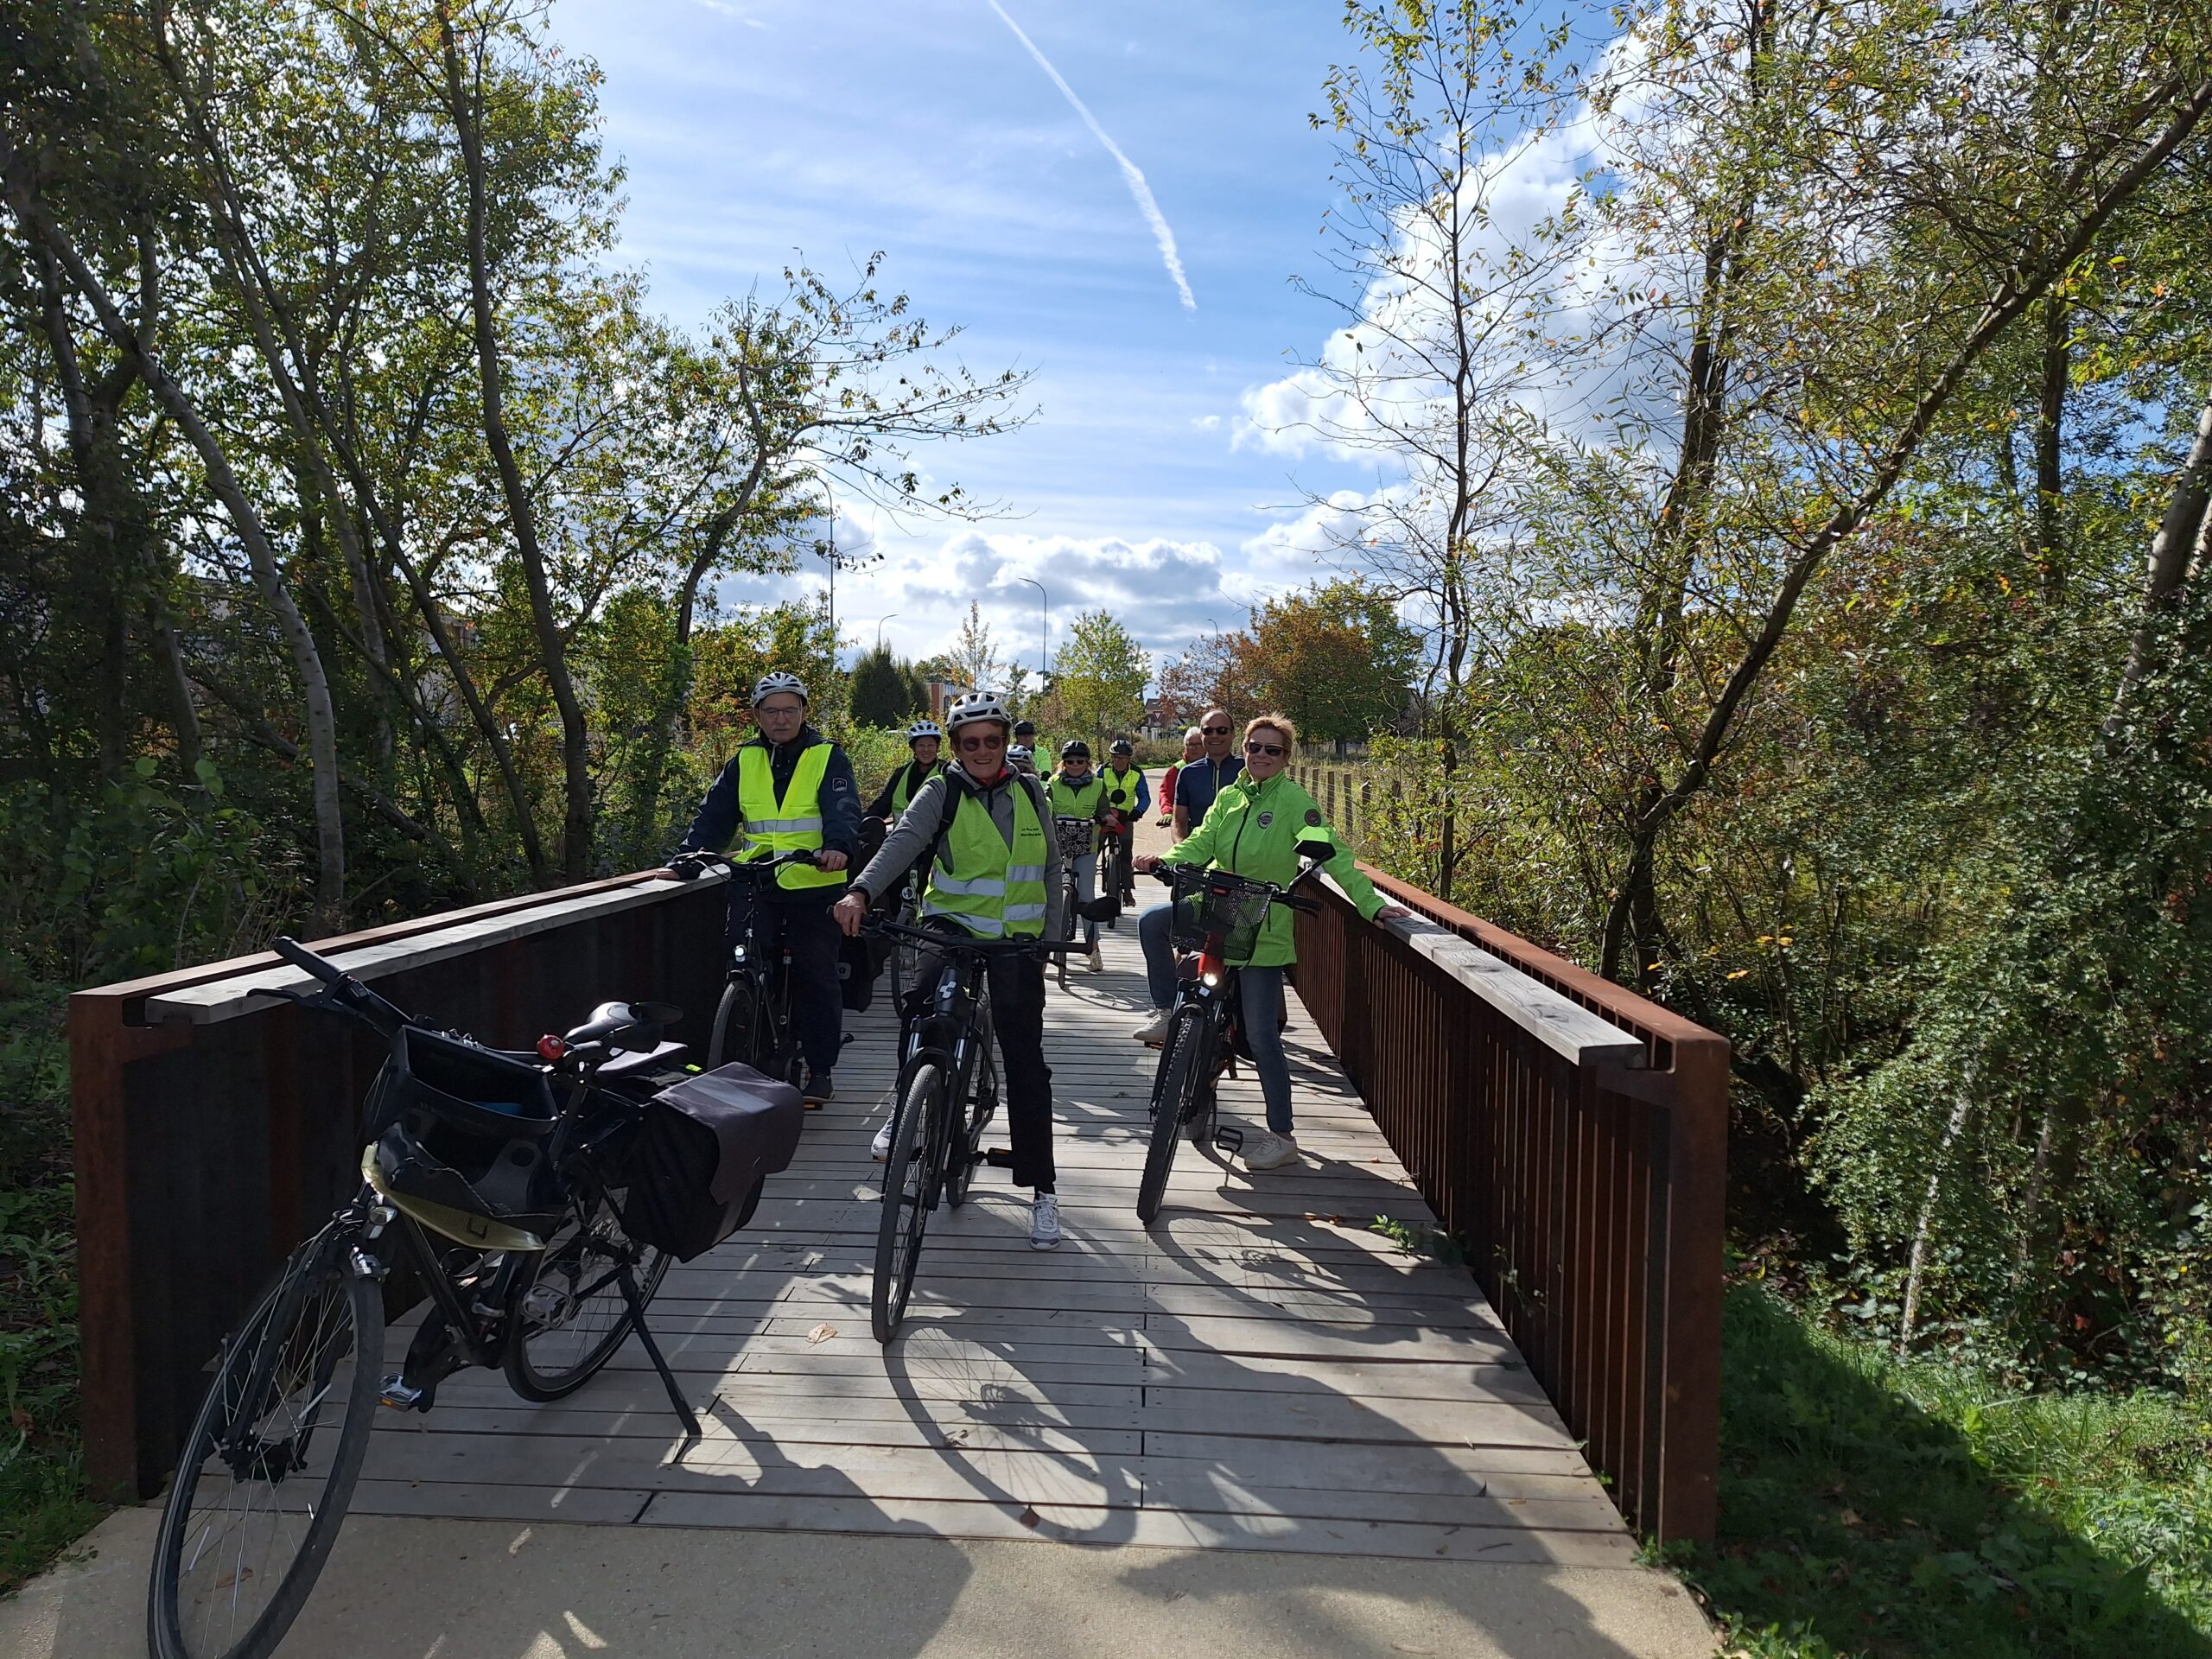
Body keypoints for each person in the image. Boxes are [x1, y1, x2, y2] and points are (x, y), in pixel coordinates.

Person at [835, 693, 1070, 1249]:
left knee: (1026, 1065)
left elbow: (1054, 864)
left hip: (1017, 942)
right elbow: (902, 842)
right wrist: (861, 890)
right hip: (951, 926)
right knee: (919, 1008)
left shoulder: (1032, 791)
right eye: (971, 743)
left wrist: (1051, 941)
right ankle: (906, 1102)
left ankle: (1043, 1192)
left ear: (1006, 742)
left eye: (992, 740)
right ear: (956, 748)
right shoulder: (939, 790)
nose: (983, 750)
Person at [1132, 714, 1408, 1173]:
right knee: (1152, 921)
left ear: (1286, 757)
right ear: (1243, 749)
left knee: (1262, 1036)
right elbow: (1200, 843)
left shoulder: (1296, 802)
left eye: (1272, 750)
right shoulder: (1230, 795)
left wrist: (1370, 905)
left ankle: (1282, 1136)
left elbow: (1334, 854)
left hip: (1262, 924)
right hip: (1217, 909)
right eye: (1254, 747)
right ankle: (1166, 1011)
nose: (1261, 755)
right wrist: (1165, 859)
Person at [671, 671, 857, 1105]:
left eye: (789, 709)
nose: (781, 719)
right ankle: (745, 1049)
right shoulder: (745, 760)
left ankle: (821, 1068)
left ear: (804, 711)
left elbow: (843, 807)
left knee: (816, 972)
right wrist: (685, 862)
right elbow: (714, 816)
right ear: (757, 715)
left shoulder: (827, 756)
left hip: (814, 882)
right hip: (758, 879)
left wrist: (838, 846)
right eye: (771, 711)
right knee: (743, 957)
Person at [1046, 740, 1112, 973]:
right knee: (1051, 894)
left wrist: (1107, 817)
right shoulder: (1052, 784)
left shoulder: (1098, 785)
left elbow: (1104, 808)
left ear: (1088, 763)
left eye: (1080, 761)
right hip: (1057, 846)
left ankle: (1093, 948)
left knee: (1086, 897)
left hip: (1086, 846)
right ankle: (1046, 947)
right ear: (1063, 763)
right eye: (1070, 761)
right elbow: (1045, 807)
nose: (1075, 765)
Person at [1171, 708, 1243, 841]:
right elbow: (1178, 822)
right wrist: (1183, 852)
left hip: (1238, 856)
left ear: (1232, 733)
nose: (1215, 735)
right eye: (1208, 731)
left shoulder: (1247, 770)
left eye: (1222, 730)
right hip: (1198, 854)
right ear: (1202, 735)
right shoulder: (1187, 773)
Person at [1099, 738, 1149, 905]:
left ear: (1129, 758)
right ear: (1111, 758)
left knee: (1126, 854)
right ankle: (1084, 886)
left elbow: (1145, 797)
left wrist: (1138, 811)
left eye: (1123, 757)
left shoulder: (1136, 773)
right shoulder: (1103, 771)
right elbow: (1092, 790)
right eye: (1116, 757)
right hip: (1104, 816)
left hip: (1125, 818)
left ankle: (1127, 891)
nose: (1119, 761)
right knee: (1093, 850)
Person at [866, 719, 947, 821]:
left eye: (930, 745)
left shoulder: (946, 772)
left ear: (937, 747)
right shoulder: (902, 772)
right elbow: (883, 804)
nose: (926, 750)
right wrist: (862, 822)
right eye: (921, 745)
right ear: (913, 748)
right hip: (901, 836)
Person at [1158, 727, 1202, 833]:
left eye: (1198, 744)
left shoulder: (1214, 765)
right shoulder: (1177, 768)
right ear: (1185, 747)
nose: (1194, 748)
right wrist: (1167, 812)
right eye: (1190, 744)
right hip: (1184, 824)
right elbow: (1165, 792)